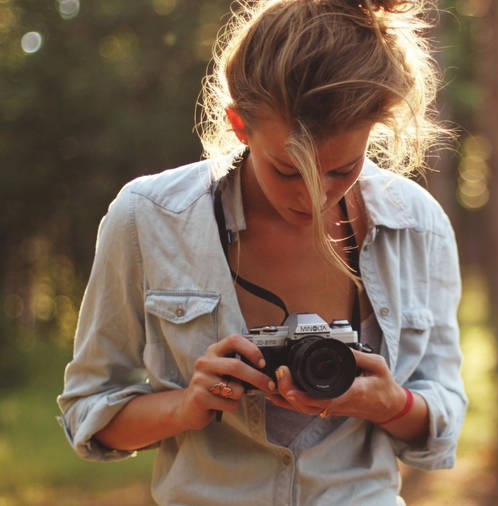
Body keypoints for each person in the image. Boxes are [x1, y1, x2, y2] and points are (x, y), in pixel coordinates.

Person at [56, 0, 466, 504]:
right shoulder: (148, 218)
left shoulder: (417, 226)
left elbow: (443, 415)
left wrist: (389, 404)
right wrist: (188, 405)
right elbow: (88, 412)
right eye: (288, 171)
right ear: (238, 124)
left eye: (342, 169)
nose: (313, 199)